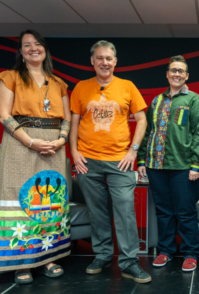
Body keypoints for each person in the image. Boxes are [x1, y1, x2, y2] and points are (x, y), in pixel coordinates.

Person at [69, 40, 150, 283]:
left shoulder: (127, 86)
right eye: (100, 58)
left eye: (109, 58)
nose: (105, 62)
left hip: (120, 161)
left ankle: (129, 262)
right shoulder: (81, 88)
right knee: (97, 211)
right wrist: (74, 152)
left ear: (115, 61)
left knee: (125, 209)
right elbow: (73, 123)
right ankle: (103, 255)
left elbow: (142, 120)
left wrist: (133, 151)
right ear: (92, 61)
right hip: (87, 160)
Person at [0, 30, 71, 284]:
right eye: (26, 45)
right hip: (21, 144)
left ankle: (48, 257)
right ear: (20, 52)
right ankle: (22, 262)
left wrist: (61, 140)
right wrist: (31, 142)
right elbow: (4, 115)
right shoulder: (9, 77)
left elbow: (67, 119)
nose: (33, 48)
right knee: (19, 199)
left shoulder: (59, 82)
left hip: (53, 146)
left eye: (37, 44)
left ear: (45, 49)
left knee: (49, 201)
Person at [137, 55, 199, 272]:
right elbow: (148, 132)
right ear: (167, 74)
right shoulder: (157, 101)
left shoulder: (194, 100)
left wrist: (197, 165)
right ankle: (166, 251)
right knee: (163, 211)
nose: (177, 74)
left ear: (187, 76)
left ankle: (190, 253)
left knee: (185, 212)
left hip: (184, 167)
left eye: (181, 71)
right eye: (173, 70)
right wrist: (141, 159)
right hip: (156, 167)